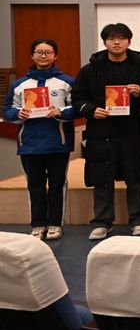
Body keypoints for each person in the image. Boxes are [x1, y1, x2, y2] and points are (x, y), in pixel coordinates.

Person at [72, 24, 140, 240]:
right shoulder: (90, 70)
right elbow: (77, 98)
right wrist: (91, 110)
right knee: (102, 179)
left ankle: (139, 220)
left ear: (129, 41)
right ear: (104, 42)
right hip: (102, 132)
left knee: (136, 178)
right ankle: (102, 222)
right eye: (111, 38)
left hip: (133, 131)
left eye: (121, 38)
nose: (116, 42)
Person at [3, 39, 75, 240]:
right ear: (32, 55)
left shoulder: (66, 82)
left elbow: (77, 108)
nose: (43, 56)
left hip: (58, 143)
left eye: (48, 52)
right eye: (39, 52)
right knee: (34, 185)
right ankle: (38, 224)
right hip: (29, 144)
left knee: (57, 185)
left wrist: (61, 111)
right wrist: (18, 114)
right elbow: (8, 110)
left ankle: (55, 224)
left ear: (55, 55)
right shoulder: (19, 84)